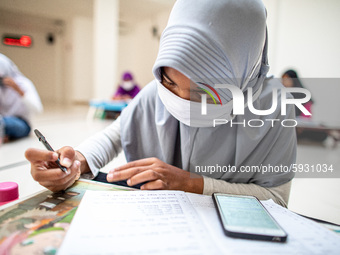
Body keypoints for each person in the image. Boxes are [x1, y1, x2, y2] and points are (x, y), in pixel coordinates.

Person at [25, 0, 296, 207]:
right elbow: (115, 135)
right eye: (170, 82)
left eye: (205, 94)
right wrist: (75, 163)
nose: (181, 101)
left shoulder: (274, 108)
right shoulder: (156, 91)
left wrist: (191, 183)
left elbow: (276, 198)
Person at [0, 53, 43, 141]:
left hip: (22, 124)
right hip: (2, 119)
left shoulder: (24, 84)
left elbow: (38, 110)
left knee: (3, 122)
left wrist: (19, 91)